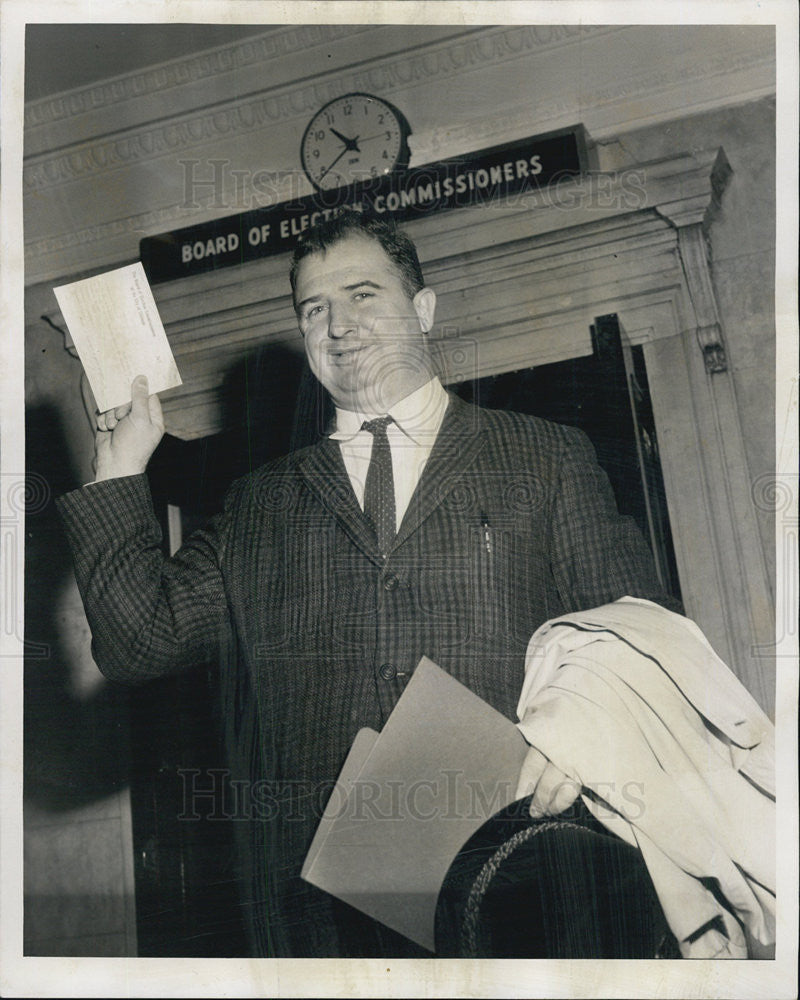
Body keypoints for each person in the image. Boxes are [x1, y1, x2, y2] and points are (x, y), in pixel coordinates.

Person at [57, 210, 678, 957]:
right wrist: (120, 468)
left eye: (362, 296)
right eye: (314, 309)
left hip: (524, 879)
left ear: (422, 309)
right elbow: (138, 642)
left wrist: (582, 737)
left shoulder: (543, 457)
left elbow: (642, 632)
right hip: (325, 918)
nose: (339, 326)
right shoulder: (259, 501)